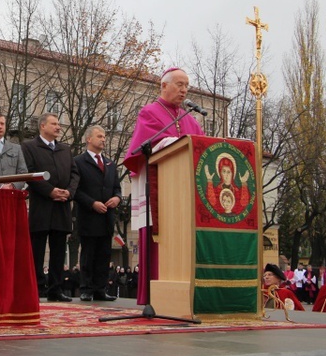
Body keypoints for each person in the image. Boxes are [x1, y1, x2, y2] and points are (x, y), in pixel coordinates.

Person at [122, 67, 204, 305]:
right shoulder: (150, 112)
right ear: (164, 86)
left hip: (184, 194)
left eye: (186, 85)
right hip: (159, 190)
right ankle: (155, 297)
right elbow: (145, 146)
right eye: (179, 84)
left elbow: (199, 147)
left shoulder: (189, 119)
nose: (184, 90)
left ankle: (183, 297)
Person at [22, 112, 80, 302]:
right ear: (42, 126)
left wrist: (68, 192)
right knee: (37, 250)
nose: (58, 127)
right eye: (54, 124)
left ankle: (56, 289)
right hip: (42, 206)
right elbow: (29, 174)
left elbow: (74, 174)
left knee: (58, 251)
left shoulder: (64, 149)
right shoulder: (29, 147)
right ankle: (36, 289)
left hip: (62, 206)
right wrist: (50, 191)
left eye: (58, 124)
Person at [73, 125, 122, 302]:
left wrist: (117, 198)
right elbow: (75, 190)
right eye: (99, 136)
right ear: (89, 139)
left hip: (107, 217)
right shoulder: (78, 161)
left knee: (104, 254)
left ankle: (100, 289)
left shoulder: (110, 163)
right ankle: (86, 288)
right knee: (88, 254)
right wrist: (92, 203)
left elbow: (117, 188)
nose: (103, 139)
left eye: (104, 136)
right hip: (88, 216)